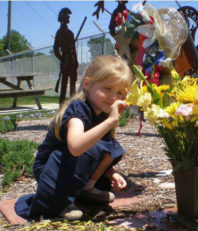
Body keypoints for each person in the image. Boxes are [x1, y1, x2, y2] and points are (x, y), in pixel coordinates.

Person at [15, 55, 133, 221]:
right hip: (51, 169)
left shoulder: (101, 113)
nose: (114, 97)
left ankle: (87, 189)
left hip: (71, 166)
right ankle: (59, 202)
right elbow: (76, 147)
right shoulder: (78, 110)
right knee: (98, 143)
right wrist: (111, 121)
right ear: (87, 84)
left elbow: (101, 151)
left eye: (120, 92)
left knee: (111, 145)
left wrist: (111, 174)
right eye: (107, 89)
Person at [54, 8, 79, 106]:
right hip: (65, 62)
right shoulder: (59, 32)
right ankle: (61, 106)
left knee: (73, 85)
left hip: (72, 62)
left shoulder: (70, 33)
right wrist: (62, 59)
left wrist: (75, 60)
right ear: (63, 18)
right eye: (67, 17)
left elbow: (73, 49)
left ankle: (73, 105)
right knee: (64, 85)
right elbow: (56, 49)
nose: (69, 18)